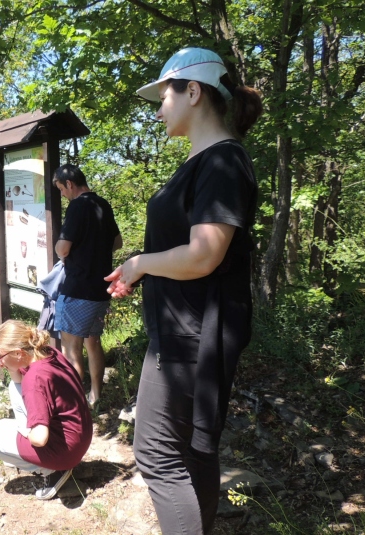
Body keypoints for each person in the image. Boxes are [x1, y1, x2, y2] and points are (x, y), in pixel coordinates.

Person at [105, 48, 263, 534]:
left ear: (193, 91)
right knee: (194, 451)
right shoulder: (206, 163)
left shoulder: (222, 162)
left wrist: (137, 264)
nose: (157, 109)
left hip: (191, 335)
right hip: (187, 329)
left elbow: (205, 254)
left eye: (164, 96)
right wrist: (146, 272)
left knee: (154, 455)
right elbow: (194, 255)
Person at [0, 320, 93, 500]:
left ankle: (52, 471)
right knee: (12, 386)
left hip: (66, 452)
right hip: (80, 437)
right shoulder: (48, 353)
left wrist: (24, 430)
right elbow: (20, 382)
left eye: (0, 355)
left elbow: (39, 439)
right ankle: (50, 461)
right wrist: (8, 365)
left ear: (18, 353)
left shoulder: (34, 379)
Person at [53, 164, 123, 409]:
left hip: (78, 289)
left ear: (69, 184)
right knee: (93, 342)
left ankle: (74, 406)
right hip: (101, 289)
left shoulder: (77, 206)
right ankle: (96, 396)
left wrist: (63, 251)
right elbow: (117, 242)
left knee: (70, 348)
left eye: (61, 189)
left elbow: (63, 248)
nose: (63, 194)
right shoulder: (102, 204)